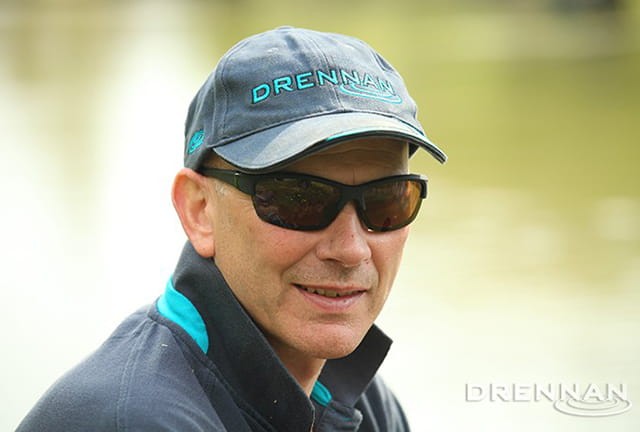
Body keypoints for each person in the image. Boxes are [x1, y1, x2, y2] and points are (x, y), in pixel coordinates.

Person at [17, 26, 446, 431]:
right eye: (298, 200)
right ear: (199, 210)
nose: (351, 249)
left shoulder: (357, 395)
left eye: (386, 200)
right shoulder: (132, 419)